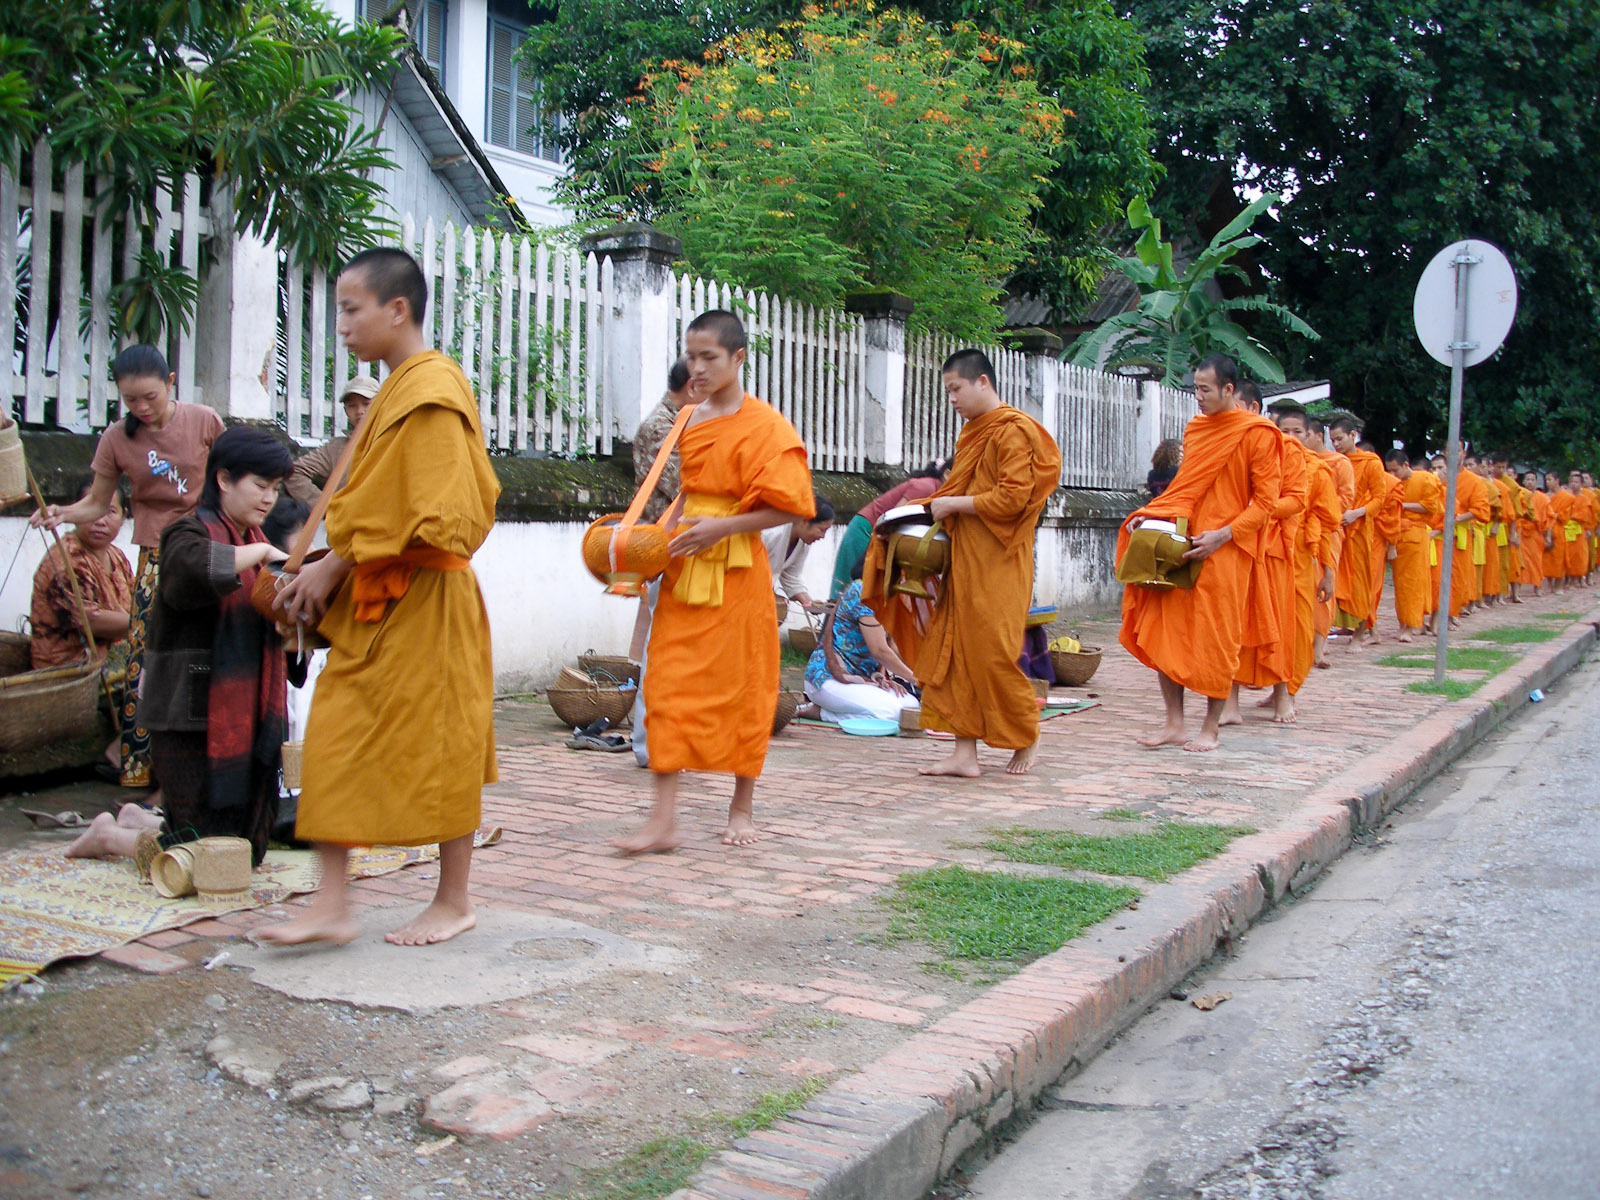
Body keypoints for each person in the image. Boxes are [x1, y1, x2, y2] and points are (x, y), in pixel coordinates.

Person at [258, 247, 500, 947]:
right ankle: (332, 904)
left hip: (431, 597)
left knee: (445, 743)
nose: (341, 324)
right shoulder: (395, 391)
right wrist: (334, 561)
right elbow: (386, 511)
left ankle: (454, 900)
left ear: (398, 310)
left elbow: (445, 516)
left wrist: (335, 565)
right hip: (380, 596)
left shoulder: (433, 391)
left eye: (350, 308)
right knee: (333, 735)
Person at [614, 309, 815, 853]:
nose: (696, 368)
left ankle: (741, 806)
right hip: (684, 570)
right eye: (691, 357)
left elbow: (788, 507)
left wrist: (721, 528)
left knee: (745, 688)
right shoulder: (689, 419)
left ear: (738, 358)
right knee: (666, 685)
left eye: (709, 358)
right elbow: (683, 497)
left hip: (737, 573)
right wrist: (650, 545)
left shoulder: (767, 426)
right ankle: (663, 819)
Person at [64, 427, 297, 868]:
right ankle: (109, 835)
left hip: (246, 709)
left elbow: (274, 619)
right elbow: (193, 572)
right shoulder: (184, 533)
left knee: (248, 851)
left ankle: (139, 817)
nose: (269, 498)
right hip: (190, 708)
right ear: (224, 479)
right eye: (260, 485)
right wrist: (264, 552)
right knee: (203, 854)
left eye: (276, 489)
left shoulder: (253, 543)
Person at [32, 344, 224, 788]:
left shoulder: (204, 421)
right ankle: (139, 770)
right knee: (146, 659)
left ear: (171, 383)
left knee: (205, 652)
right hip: (155, 556)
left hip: (204, 549)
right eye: (131, 400)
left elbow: (228, 481)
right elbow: (97, 503)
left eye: (150, 398)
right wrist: (61, 512)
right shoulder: (117, 438)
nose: (141, 408)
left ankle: (203, 766)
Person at [864, 349, 1059, 777]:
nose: (951, 397)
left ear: (983, 383)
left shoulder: (1012, 431)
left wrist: (953, 503)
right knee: (953, 652)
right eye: (947, 390)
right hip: (963, 559)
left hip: (999, 561)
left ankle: (1026, 734)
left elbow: (1013, 499)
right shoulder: (973, 433)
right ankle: (964, 753)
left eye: (956, 388)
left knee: (993, 654)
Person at [1118, 354, 1282, 752]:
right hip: (1185, 543)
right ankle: (1174, 723)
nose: (1198, 397)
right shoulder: (1197, 429)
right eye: (1195, 388)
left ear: (1229, 390)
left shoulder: (1257, 434)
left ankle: (1210, 727)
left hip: (1227, 551)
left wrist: (1223, 534)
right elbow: (1187, 489)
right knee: (1163, 631)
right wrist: (1154, 517)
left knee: (1217, 639)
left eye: (1205, 389)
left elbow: (1266, 503)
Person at [1223, 381, 1305, 726]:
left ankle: (1283, 695)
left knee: (1279, 624)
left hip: (1270, 548)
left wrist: (1262, 510)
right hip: (1235, 545)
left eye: (1236, 407)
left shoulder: (1286, 449)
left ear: (1253, 409)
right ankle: (1229, 702)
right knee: (1232, 625)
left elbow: (1297, 498)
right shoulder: (1226, 443)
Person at [1267, 404, 1339, 710]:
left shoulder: (1318, 471)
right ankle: (1274, 689)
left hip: (1300, 559)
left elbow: (1325, 525)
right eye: (1286, 431)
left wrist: (1329, 571)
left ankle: (1288, 695)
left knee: (1297, 630)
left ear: (1311, 436)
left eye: (1299, 432)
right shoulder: (1265, 463)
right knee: (1268, 627)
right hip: (1268, 555)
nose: (1292, 437)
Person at [29, 482, 134, 670]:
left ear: (124, 516)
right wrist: (148, 623)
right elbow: (90, 621)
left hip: (111, 659)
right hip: (70, 671)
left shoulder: (117, 556)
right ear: (77, 513)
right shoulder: (66, 558)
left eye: (110, 511)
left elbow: (136, 603)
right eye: (93, 511)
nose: (100, 521)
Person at [802, 577, 919, 724]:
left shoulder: (891, 593)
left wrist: (920, 677)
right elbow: (880, 651)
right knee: (890, 712)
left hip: (863, 681)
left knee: (911, 706)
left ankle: (837, 709)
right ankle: (820, 713)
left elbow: (893, 647)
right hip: (828, 679)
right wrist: (916, 680)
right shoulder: (865, 592)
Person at [830, 461, 950, 599]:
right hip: (867, 528)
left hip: (881, 532)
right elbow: (896, 517)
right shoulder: (925, 487)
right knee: (848, 590)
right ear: (947, 474)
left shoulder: (936, 492)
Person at [1327, 414, 1385, 645]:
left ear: (1353, 435)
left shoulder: (1370, 462)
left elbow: (1380, 498)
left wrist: (1357, 513)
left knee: (1360, 582)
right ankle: (1343, 626)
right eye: (1333, 440)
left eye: (1340, 438)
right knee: (1335, 580)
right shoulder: (1333, 461)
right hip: (1337, 527)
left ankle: (1360, 635)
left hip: (1359, 530)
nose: (1337, 444)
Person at [284, 375, 380, 504]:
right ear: (345, 410)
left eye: (366, 404)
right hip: (347, 521)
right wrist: (327, 507)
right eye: (352, 406)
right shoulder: (336, 448)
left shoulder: (396, 439)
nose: (360, 411)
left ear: (381, 405)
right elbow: (295, 472)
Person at [1305, 416, 1354, 665]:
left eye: (1301, 433)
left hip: (1329, 530)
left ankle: (1319, 647)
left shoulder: (1339, 463)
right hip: (1302, 530)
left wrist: (1324, 509)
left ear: (1315, 435)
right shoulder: (1298, 461)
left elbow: (1346, 497)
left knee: (1324, 585)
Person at [1385, 451, 1443, 642]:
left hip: (1416, 536)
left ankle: (1411, 627)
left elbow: (1431, 507)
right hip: (1397, 535)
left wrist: (1403, 504)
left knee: (1414, 583)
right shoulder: (1394, 483)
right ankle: (1403, 624)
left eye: (1396, 470)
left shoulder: (1425, 479)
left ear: (1406, 465)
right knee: (1400, 585)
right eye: (1390, 471)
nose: (1393, 475)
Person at [765, 494, 834, 614]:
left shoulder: (803, 543)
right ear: (804, 521)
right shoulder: (770, 534)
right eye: (821, 529)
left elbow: (791, 577)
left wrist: (809, 603)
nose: (823, 536)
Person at [1519, 469, 1551, 596]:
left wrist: (1548, 536)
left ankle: (1537, 587)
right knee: (1521, 561)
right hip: (1521, 532)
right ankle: (1517, 589)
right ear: (1523, 481)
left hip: (1536, 534)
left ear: (1537, 482)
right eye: (1527, 479)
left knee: (1536, 561)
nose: (1530, 482)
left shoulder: (1542, 498)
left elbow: (1548, 517)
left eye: (1532, 480)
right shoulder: (1520, 494)